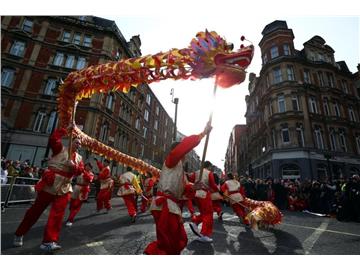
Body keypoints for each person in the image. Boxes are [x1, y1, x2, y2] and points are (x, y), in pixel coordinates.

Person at [144, 122, 212, 255]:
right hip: (165, 207)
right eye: (185, 152)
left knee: (177, 240)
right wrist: (202, 134)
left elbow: (184, 189)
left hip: (170, 208)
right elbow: (184, 146)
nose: (186, 155)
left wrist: (194, 186)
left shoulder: (179, 169)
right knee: (169, 243)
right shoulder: (172, 160)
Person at [13, 127, 84, 251]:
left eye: (80, 144)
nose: (79, 145)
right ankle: (19, 233)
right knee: (35, 211)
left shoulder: (79, 158)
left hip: (65, 187)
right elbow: (53, 139)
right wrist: (65, 130)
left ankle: (49, 241)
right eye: (77, 142)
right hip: (50, 184)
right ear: (71, 140)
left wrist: (74, 167)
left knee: (57, 215)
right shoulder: (60, 149)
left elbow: (80, 171)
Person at [187, 160, 220, 243]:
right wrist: (218, 189)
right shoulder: (209, 173)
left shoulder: (196, 172)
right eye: (211, 167)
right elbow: (212, 184)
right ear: (208, 166)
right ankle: (204, 234)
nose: (211, 169)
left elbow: (190, 179)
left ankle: (195, 222)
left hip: (196, 194)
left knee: (204, 213)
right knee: (208, 213)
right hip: (204, 194)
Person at [65, 162, 94, 226]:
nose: (87, 167)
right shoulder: (80, 171)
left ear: (91, 168)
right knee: (72, 204)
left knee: (77, 205)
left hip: (84, 189)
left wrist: (84, 172)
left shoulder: (91, 174)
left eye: (89, 166)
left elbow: (89, 179)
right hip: (76, 188)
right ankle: (71, 215)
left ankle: (70, 219)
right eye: (86, 166)